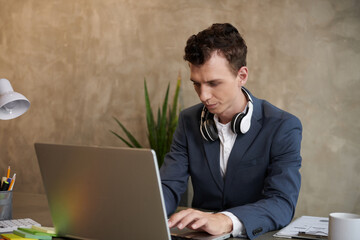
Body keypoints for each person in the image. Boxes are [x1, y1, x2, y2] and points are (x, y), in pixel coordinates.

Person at [160, 23, 302, 239]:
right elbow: (169, 186)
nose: (203, 95)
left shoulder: (283, 126)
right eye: (196, 84)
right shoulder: (188, 121)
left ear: (242, 76)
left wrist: (225, 220)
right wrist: (148, 208)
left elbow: (282, 203)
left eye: (213, 83)